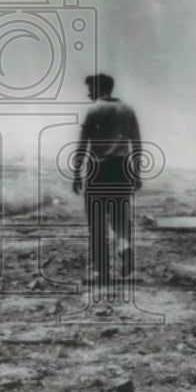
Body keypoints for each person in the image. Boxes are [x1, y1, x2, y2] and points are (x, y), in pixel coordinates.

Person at [72, 73, 142, 281]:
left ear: (99, 89)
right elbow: (136, 144)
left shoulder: (93, 110)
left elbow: (82, 144)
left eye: (91, 89)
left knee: (96, 221)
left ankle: (101, 271)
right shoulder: (128, 110)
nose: (88, 93)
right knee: (120, 218)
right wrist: (136, 173)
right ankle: (125, 249)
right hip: (121, 169)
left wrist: (77, 174)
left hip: (98, 170)